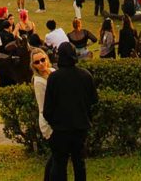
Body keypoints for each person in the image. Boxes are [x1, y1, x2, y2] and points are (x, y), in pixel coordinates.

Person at [42, 42, 98, 181]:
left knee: (59, 162)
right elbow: (93, 101)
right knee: (79, 162)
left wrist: (54, 123)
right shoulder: (85, 75)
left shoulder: (55, 78)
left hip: (61, 128)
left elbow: (48, 107)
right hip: (80, 126)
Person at [30, 47, 55, 180]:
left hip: (58, 119)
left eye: (43, 60)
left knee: (58, 154)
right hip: (48, 122)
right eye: (37, 62)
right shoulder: (38, 81)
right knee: (57, 154)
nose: (41, 64)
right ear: (33, 65)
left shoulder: (53, 71)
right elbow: (43, 107)